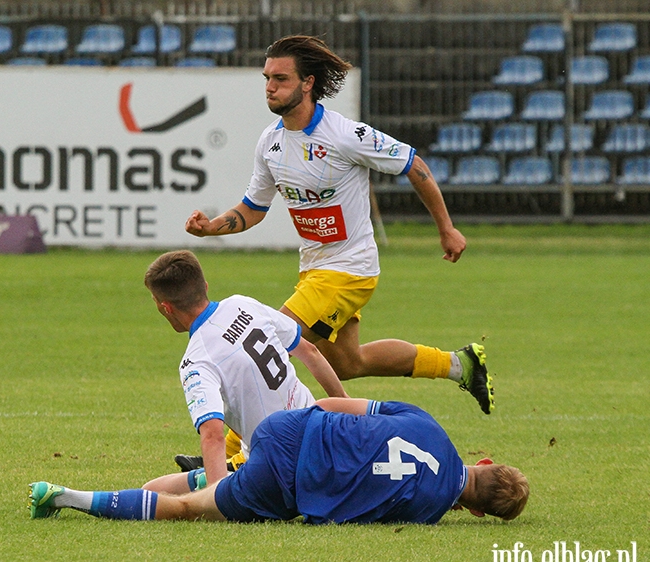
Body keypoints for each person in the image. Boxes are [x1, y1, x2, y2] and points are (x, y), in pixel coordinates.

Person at [184, 35, 495, 415]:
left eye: (280, 79)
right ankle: (460, 365)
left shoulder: (345, 135)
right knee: (348, 364)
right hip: (314, 269)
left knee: (265, 342)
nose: (269, 87)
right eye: (267, 78)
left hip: (349, 269)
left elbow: (414, 165)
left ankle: (236, 457)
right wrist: (212, 227)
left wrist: (446, 228)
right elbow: (254, 207)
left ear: (308, 82)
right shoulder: (271, 143)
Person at [28, 398, 529, 525]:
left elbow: (341, 406)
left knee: (209, 482)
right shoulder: (427, 512)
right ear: (479, 512)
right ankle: (71, 498)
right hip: (292, 483)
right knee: (192, 509)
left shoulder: (429, 425)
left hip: (287, 429)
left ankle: (171, 482)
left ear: (483, 460)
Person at [143, 249, 348, 492]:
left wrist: (216, 499)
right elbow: (310, 352)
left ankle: (222, 476)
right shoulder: (243, 304)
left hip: (279, 470)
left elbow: (212, 435)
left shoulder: (196, 360)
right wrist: (347, 409)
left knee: (151, 490)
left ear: (166, 308)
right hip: (323, 433)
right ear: (205, 286)